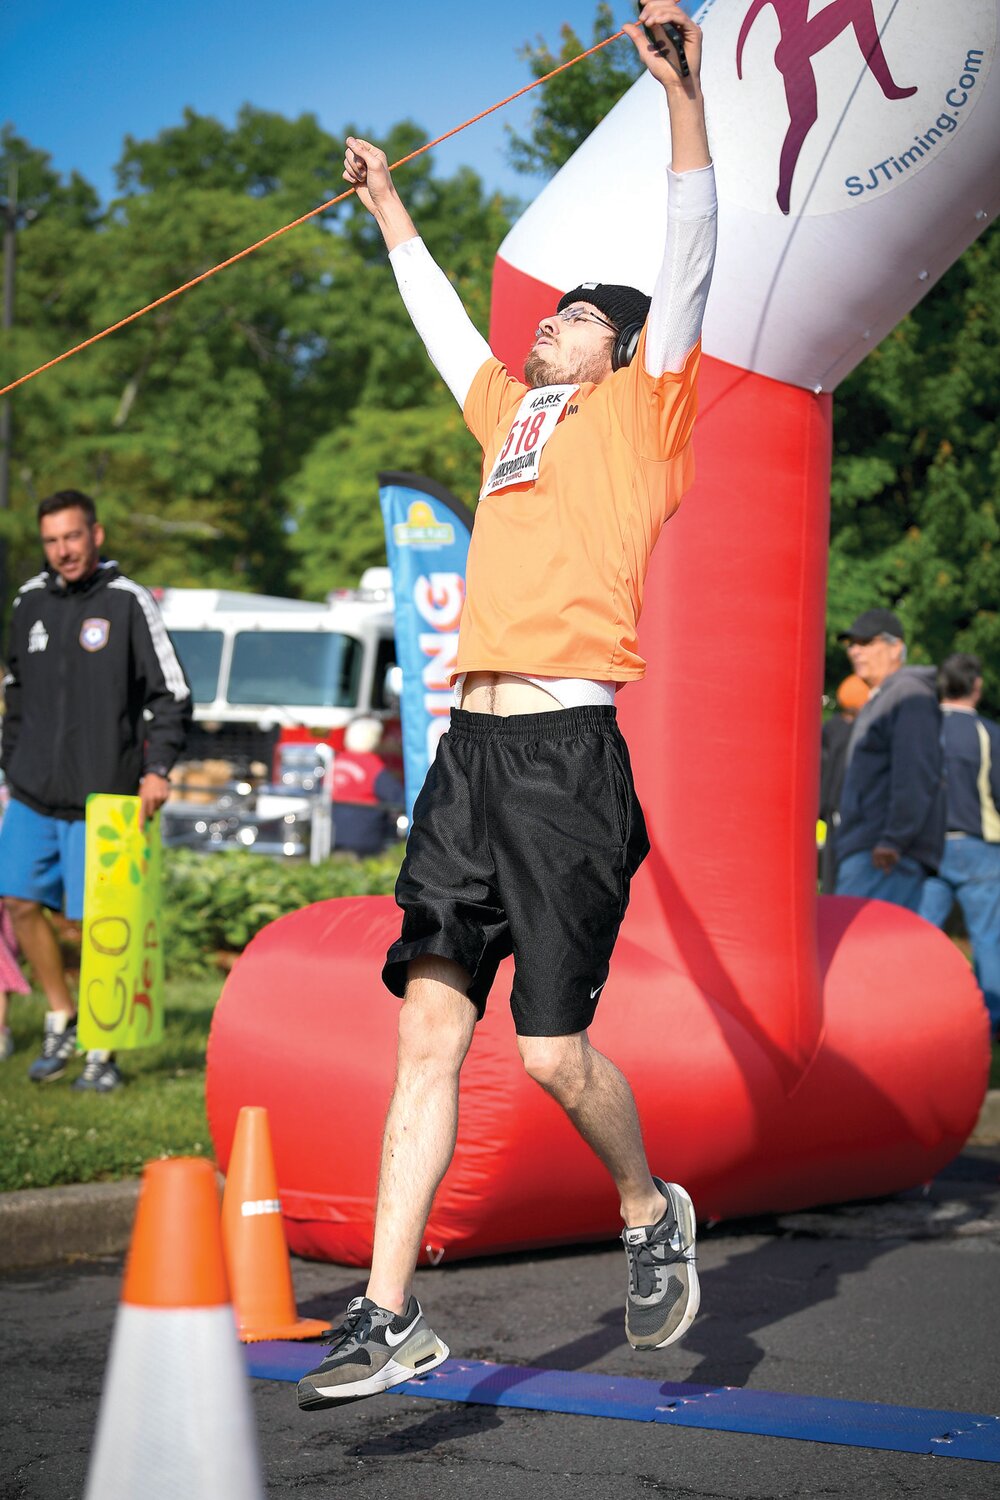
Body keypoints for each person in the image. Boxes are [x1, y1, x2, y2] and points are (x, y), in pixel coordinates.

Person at [297, 2, 717, 1412]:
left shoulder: (649, 417)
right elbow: (438, 324)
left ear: (624, 351)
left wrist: (682, 99)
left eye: (578, 318)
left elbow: (690, 250)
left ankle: (650, 1208)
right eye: (550, 317)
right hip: (469, 753)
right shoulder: (513, 419)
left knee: (547, 1052)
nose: (551, 327)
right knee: (428, 1030)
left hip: (564, 761)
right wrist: (392, 207)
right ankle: (388, 1314)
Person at [0, 490, 191, 1090]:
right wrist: (13, 762)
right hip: (32, 792)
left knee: (96, 925)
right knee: (19, 904)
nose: (64, 550)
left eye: (73, 537)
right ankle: (61, 1013)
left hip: (105, 797)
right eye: (53, 540)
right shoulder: (28, 604)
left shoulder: (128, 602)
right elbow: (15, 693)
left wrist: (157, 769)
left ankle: (101, 1053)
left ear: (96, 535)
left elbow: (173, 694)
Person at [833, 608, 944, 911]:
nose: (855, 650)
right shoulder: (883, 698)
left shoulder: (908, 694)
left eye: (867, 642)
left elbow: (915, 770)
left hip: (882, 856)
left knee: (858, 953)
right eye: (852, 644)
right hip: (874, 849)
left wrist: (894, 838)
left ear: (896, 648)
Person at [918, 653, 1000, 1036]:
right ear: (977, 687)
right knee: (988, 939)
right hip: (979, 847)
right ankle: (992, 1020)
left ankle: (918, 1012)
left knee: (921, 936)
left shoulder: (924, 729)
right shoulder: (988, 733)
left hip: (929, 847)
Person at [818, 673, 868, 893]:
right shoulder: (863, 731)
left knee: (831, 869)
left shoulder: (831, 729)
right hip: (851, 808)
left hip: (830, 807)